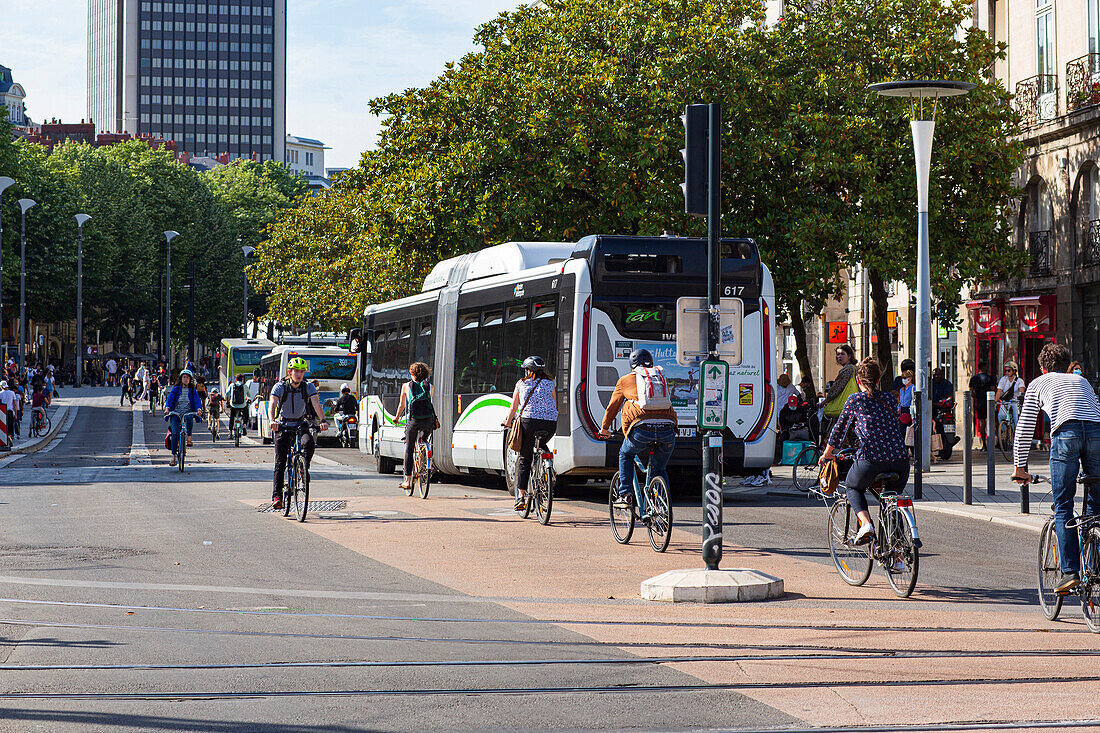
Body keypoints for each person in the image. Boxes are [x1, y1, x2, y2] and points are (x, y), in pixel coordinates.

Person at [1012, 343, 1100, 594]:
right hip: (1096, 434)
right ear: (1067, 364)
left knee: (1064, 505)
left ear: (1042, 368)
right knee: (1096, 505)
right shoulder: (1081, 381)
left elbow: (1026, 426)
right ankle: (1094, 561)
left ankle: (1071, 572)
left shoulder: (1039, 383)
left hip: (1065, 434)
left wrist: (1020, 467)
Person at [819, 358, 910, 545]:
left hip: (872, 459)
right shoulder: (890, 399)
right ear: (878, 380)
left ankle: (866, 525)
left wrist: (827, 454)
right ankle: (899, 556)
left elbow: (839, 430)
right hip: (901, 460)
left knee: (853, 486)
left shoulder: (855, 400)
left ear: (858, 380)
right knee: (892, 502)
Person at [597, 349, 677, 514]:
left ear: (631, 365)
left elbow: (613, 407)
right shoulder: (660, 378)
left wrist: (605, 428)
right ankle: (661, 506)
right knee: (659, 469)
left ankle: (625, 495)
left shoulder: (625, 380)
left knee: (625, 454)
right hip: (668, 429)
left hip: (642, 429)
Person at [269, 357, 328, 510]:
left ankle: (303, 466)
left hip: (301, 423)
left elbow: (316, 402)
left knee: (308, 443)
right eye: (296, 371)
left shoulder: (308, 387)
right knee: (280, 462)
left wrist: (323, 420)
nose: (299, 374)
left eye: (302, 371)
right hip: (283, 424)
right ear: (290, 372)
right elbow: (273, 403)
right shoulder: (280, 387)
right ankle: (277, 496)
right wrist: (272, 420)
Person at [503, 355, 558, 511]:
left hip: (529, 423)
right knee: (542, 444)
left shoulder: (521, 384)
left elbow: (513, 408)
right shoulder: (550, 383)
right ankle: (548, 468)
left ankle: (520, 497)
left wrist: (507, 423)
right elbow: (554, 404)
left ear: (529, 371)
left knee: (525, 458)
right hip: (550, 424)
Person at [394, 364, 436, 490]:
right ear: (426, 374)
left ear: (412, 374)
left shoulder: (406, 386)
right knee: (424, 439)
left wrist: (396, 418)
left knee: (409, 449)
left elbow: (402, 406)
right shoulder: (430, 387)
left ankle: (407, 481)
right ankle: (424, 448)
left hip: (414, 421)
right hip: (429, 421)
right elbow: (430, 405)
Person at [163, 369, 204, 466]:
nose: (186, 379)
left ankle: (189, 438)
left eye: (188, 377)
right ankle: (173, 456)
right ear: (181, 378)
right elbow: (170, 399)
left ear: (190, 379)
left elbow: (197, 401)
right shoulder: (176, 389)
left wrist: (199, 409)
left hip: (187, 412)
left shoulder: (193, 390)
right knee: (176, 433)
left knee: (189, 417)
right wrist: (167, 408)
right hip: (175, 413)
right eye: (184, 377)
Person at [821, 344, 858, 438]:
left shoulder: (847, 369)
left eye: (842, 354)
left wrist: (826, 400)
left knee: (836, 435)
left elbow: (837, 388)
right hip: (853, 406)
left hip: (844, 406)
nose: (839, 357)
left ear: (849, 356)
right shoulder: (855, 368)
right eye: (838, 354)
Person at [995, 361, 1026, 434]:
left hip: (1015, 402)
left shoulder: (1019, 381)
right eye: (1006, 370)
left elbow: (1022, 391)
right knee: (1001, 416)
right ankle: (1004, 432)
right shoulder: (1003, 379)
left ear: (1014, 371)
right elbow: (999, 391)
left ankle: (1017, 435)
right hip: (1006, 401)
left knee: (1016, 419)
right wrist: (995, 401)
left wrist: (1020, 397)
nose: (1007, 372)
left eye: (1009, 370)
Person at [969, 363, 994, 451]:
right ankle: (995, 441)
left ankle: (984, 444)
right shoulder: (989, 378)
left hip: (979, 403)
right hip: (989, 402)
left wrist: (976, 396)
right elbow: (993, 389)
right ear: (984, 367)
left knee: (982, 423)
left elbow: (971, 392)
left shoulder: (973, 378)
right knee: (993, 422)